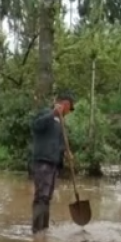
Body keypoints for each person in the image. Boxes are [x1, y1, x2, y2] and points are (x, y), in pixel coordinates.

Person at [29, 91, 74, 233]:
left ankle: (44, 230)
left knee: (47, 197)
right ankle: (37, 230)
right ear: (65, 104)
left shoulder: (61, 122)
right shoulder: (46, 113)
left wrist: (66, 152)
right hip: (43, 161)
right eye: (70, 108)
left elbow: (58, 142)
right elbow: (35, 126)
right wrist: (52, 114)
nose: (69, 112)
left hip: (54, 163)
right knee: (41, 196)